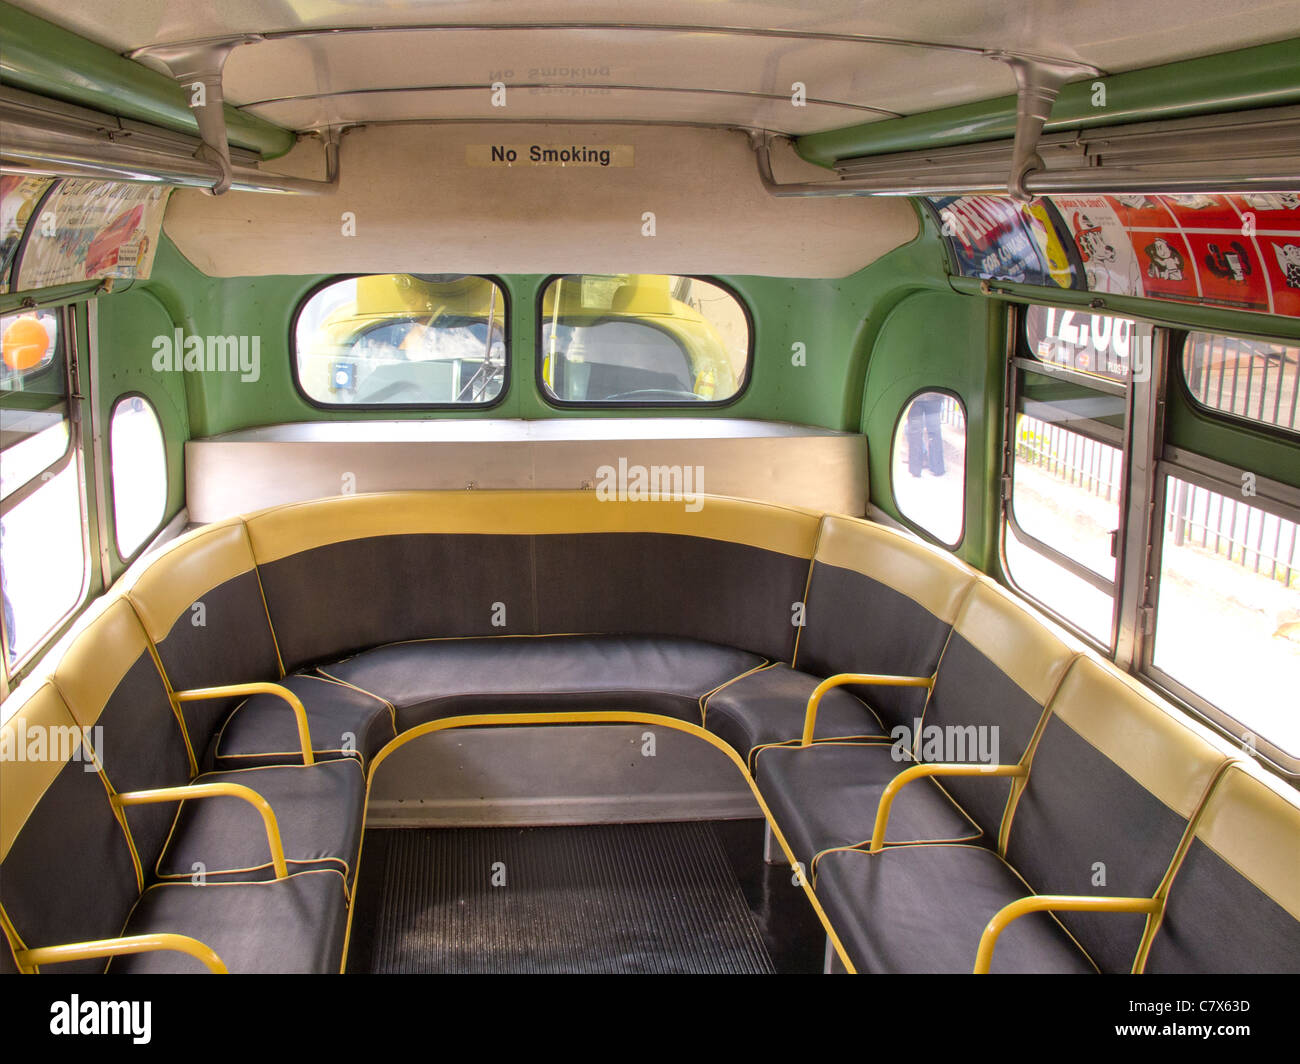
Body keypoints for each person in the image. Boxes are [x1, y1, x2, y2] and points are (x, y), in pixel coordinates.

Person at [907, 396, 946, 477]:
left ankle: (915, 469)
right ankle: (937, 468)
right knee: (934, 432)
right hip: (934, 394)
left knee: (915, 433)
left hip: (914, 395)